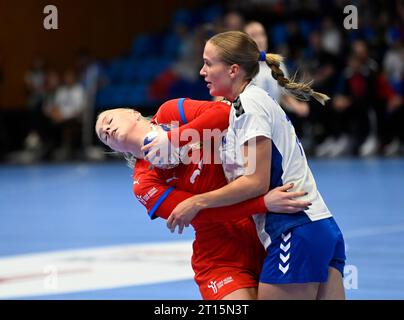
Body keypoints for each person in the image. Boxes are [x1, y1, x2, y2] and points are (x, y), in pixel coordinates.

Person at [152, 31, 346, 300]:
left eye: (209, 64)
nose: (201, 71)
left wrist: (198, 202)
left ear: (233, 69)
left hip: (293, 229)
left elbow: (256, 181)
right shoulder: (247, 104)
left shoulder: (249, 106)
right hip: (320, 227)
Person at [95, 98, 311, 300]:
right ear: (114, 149)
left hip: (265, 232)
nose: (106, 129)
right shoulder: (144, 183)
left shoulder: (170, 113)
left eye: (108, 120)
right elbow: (204, 214)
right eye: (103, 136)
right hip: (220, 255)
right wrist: (263, 203)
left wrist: (174, 139)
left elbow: (224, 113)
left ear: (134, 114)